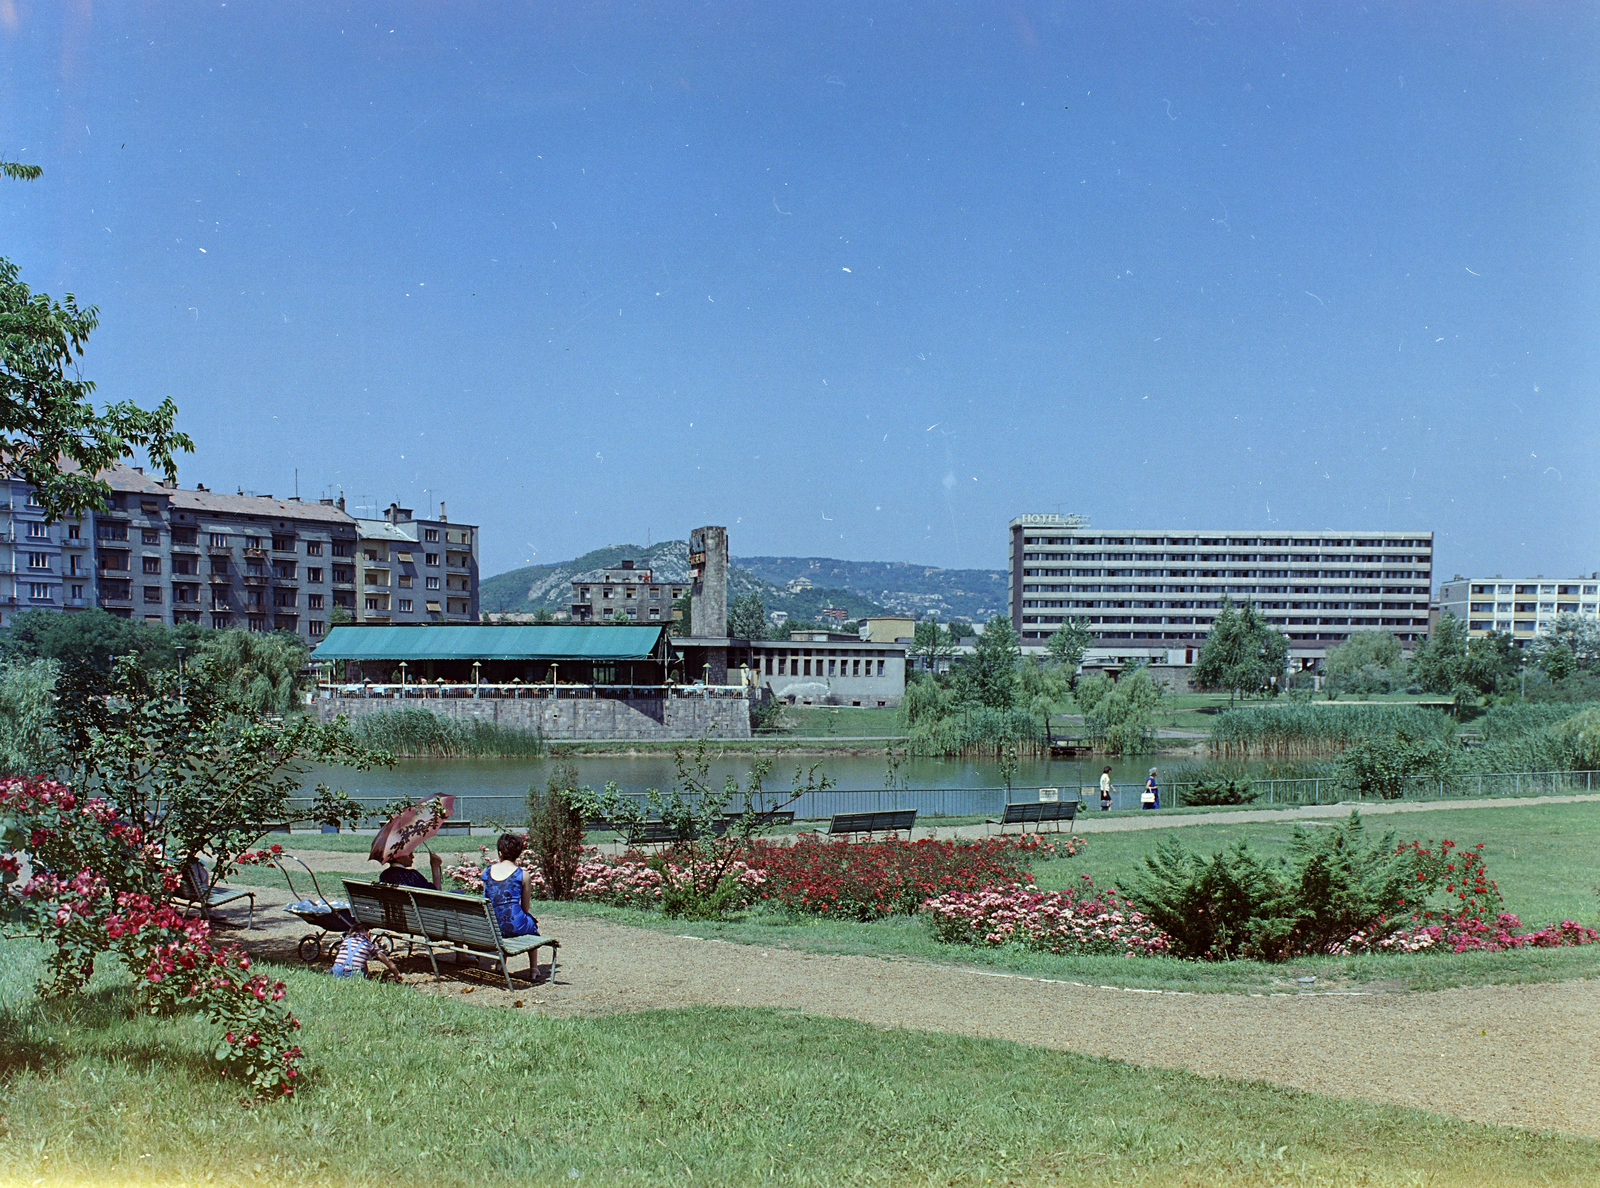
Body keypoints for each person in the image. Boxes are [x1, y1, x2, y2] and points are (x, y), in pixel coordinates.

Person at [483, 833, 540, 938]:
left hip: (491, 924)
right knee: (531, 923)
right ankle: (533, 954)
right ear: (518, 854)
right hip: (514, 925)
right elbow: (525, 908)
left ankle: (503, 954)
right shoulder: (523, 875)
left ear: (500, 854)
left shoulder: (487, 872)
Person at [329, 922, 401, 979]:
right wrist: (396, 973)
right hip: (353, 973)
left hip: (337, 970)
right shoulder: (368, 945)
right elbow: (386, 960)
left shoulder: (346, 941)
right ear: (368, 933)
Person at [378, 850, 444, 890]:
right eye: (409, 854)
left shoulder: (384, 875)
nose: (413, 856)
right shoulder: (412, 876)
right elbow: (437, 893)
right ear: (398, 858)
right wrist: (435, 866)